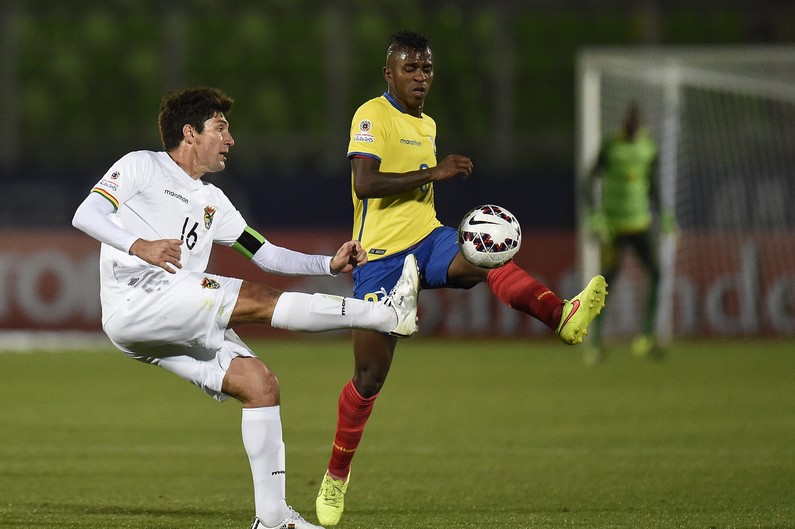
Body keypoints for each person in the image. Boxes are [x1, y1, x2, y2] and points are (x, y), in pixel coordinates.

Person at [71, 86, 421, 529]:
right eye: (220, 128)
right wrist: (140, 245)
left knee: (260, 385)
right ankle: (386, 315)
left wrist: (326, 264)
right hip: (137, 299)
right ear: (190, 133)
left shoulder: (213, 201)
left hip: (173, 313)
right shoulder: (142, 165)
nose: (230, 139)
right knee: (257, 299)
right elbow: (86, 213)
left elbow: (266, 253)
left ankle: (272, 519)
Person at [315, 30, 608, 526]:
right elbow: (365, 184)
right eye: (410, 68)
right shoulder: (372, 114)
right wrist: (434, 174)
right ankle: (335, 477)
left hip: (429, 239)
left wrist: (434, 182)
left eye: (426, 68)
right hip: (381, 257)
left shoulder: (427, 123)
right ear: (389, 74)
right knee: (369, 378)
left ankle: (559, 316)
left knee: (485, 254)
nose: (420, 77)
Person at [583, 102, 676, 364]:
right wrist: (594, 215)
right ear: (625, 123)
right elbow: (587, 182)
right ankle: (595, 342)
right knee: (604, 282)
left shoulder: (648, 148)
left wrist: (665, 214)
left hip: (641, 225)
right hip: (614, 228)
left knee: (656, 273)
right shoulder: (611, 146)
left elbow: (652, 185)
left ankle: (646, 336)